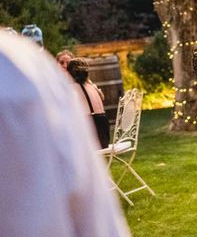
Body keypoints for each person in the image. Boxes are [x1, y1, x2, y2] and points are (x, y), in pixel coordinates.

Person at [0, 32, 130, 237]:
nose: (61, 66)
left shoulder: (21, 71)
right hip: (99, 133)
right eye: (60, 62)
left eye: (65, 63)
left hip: (94, 137)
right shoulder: (34, 69)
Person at [68, 58, 111, 149]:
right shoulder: (93, 87)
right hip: (104, 138)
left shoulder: (71, 89)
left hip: (91, 139)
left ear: (69, 74)